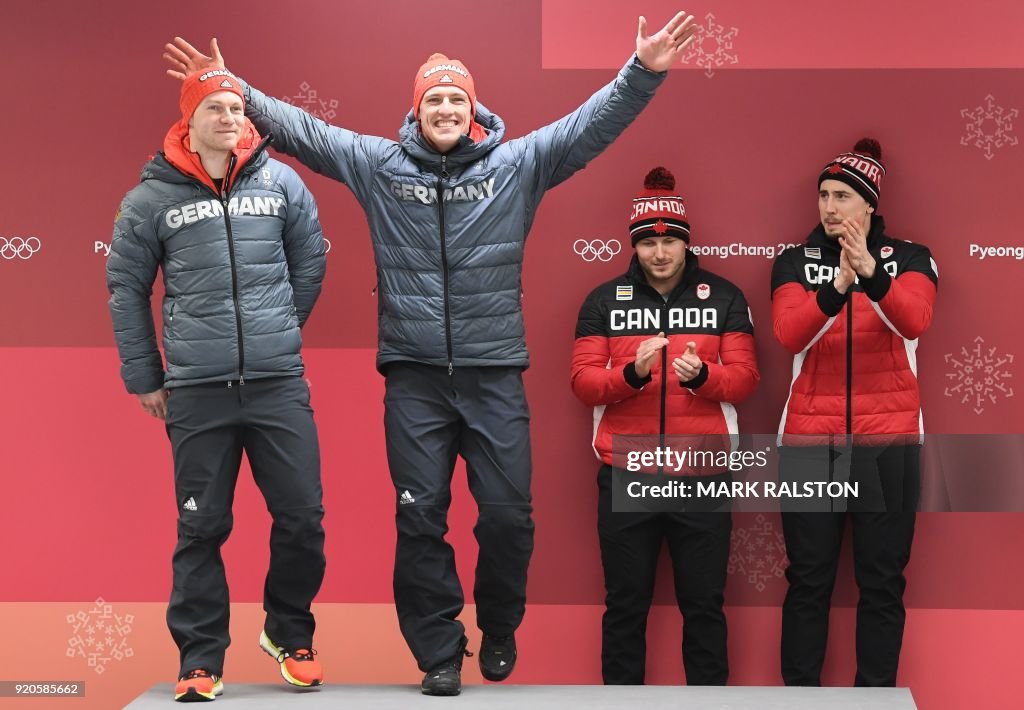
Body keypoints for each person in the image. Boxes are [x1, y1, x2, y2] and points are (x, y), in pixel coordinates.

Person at [162, 12, 697, 696]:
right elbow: (303, 131)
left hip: (494, 373)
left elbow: (590, 124)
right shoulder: (380, 166)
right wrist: (231, 85)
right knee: (421, 517)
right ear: (416, 111)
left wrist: (643, 71)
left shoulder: (516, 167)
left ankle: (499, 624)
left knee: (508, 517)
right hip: (413, 379)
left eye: (456, 98)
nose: (445, 107)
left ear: (473, 111)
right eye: (433, 98)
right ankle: (439, 651)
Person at [106, 69, 328, 702]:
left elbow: (310, 260)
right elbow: (125, 288)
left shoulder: (283, 181)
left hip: (276, 382)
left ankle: (290, 634)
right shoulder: (150, 198)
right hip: (198, 391)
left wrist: (280, 326)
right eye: (215, 108)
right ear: (189, 119)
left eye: (236, 108)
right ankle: (200, 660)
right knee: (201, 528)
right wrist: (145, 375)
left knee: (303, 518)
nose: (230, 118)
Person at [570, 167, 759, 684]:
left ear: (685, 243)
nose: (660, 254)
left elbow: (745, 380)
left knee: (704, 607)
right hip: (626, 474)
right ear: (634, 247)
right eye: (649, 244)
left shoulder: (724, 297)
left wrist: (703, 377)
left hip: (701, 473)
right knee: (625, 607)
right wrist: (632, 374)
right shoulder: (603, 301)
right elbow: (584, 383)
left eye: (670, 242)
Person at [770, 138, 938, 686]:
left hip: (888, 444)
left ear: (869, 204)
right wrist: (840, 283)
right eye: (823, 195)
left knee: (883, 581)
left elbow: (914, 320)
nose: (829, 207)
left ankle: (876, 700)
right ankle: (800, 699)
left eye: (842, 195)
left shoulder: (911, 256)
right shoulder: (794, 261)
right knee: (809, 581)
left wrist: (871, 273)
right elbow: (789, 334)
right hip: (808, 447)